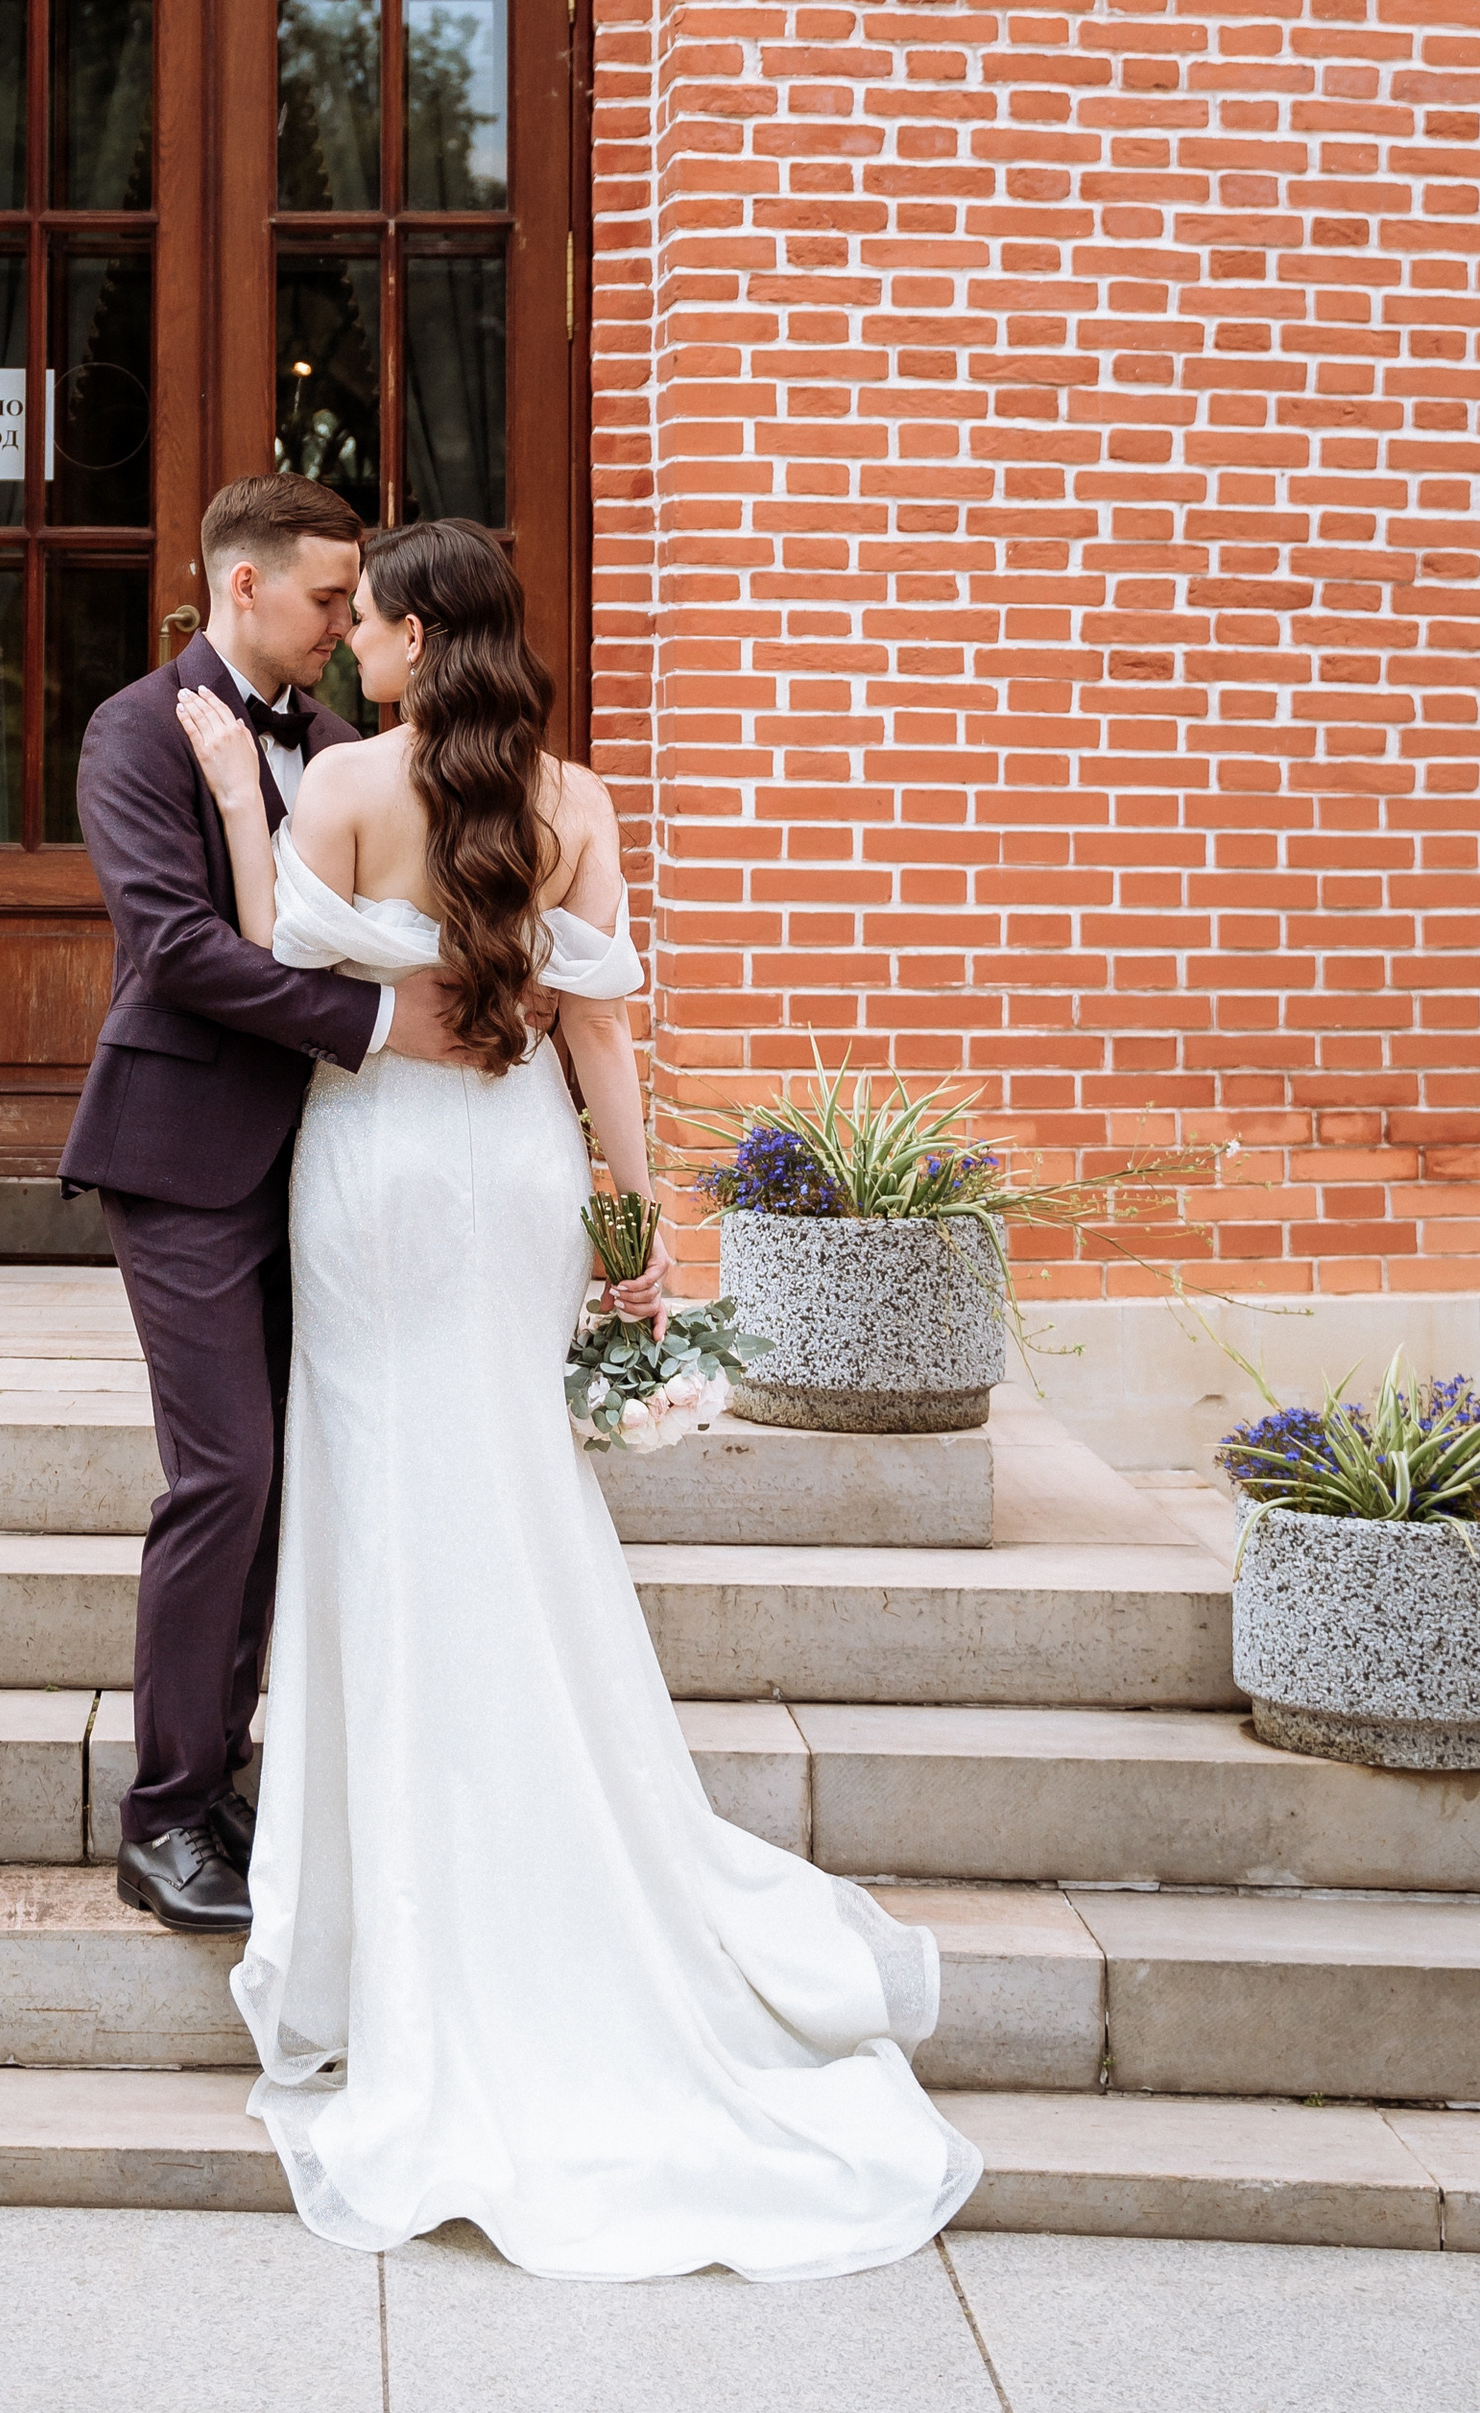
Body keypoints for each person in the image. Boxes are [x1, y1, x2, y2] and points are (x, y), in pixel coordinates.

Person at [178, 515, 984, 2281]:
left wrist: (239, 791)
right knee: (513, 1494)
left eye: (370, 622)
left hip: (381, 1182)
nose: (357, 645)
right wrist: (638, 1229)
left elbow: (275, 950)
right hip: (522, 1177)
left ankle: (397, 1900)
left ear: (407, 638)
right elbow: (608, 1029)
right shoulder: (582, 803)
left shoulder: (333, 788)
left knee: (389, 1501)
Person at [60, 475, 495, 1935]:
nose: (341, 624)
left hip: (322, 1170)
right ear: (241, 588)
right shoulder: (132, 730)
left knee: (293, 1476)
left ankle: (235, 1773)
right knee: (226, 1476)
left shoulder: (333, 739)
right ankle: (165, 1814)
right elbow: (180, 947)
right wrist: (379, 1034)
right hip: (180, 1153)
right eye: (324, 599)